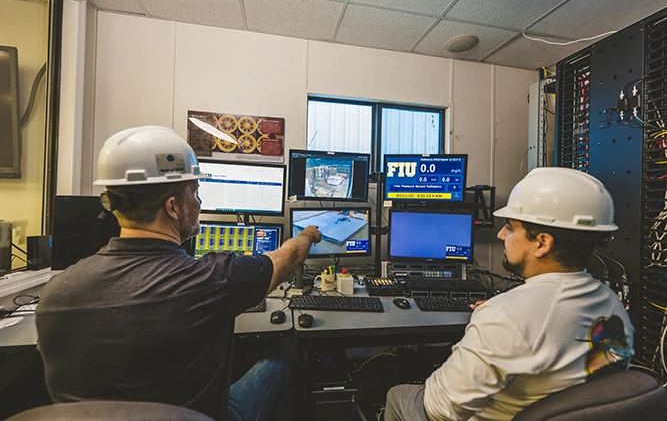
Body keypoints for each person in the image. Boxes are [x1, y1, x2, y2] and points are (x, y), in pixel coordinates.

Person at [36, 126, 322, 421]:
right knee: (277, 365)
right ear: (173, 207)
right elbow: (286, 259)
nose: (199, 204)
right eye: (195, 193)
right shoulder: (214, 279)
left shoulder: (57, 292)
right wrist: (307, 235)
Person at [385, 167, 634, 421]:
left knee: (398, 394)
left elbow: (441, 409)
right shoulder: (612, 305)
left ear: (542, 243)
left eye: (510, 227)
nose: (500, 234)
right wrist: (500, 316)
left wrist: (492, 322)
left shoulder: (506, 315)